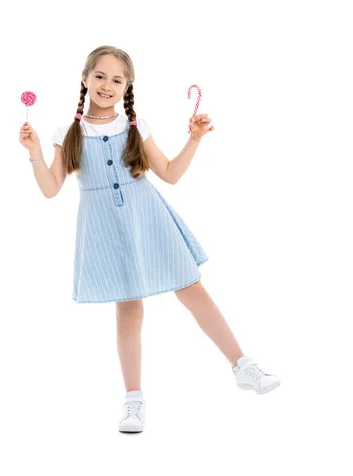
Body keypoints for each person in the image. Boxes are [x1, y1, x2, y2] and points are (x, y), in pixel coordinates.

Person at [19, 45, 280, 434]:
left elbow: (170, 174)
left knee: (193, 291)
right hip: (107, 230)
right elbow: (50, 188)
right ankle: (134, 401)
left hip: (149, 220)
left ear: (128, 86)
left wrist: (194, 139)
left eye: (117, 79)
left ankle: (242, 365)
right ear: (85, 78)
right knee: (128, 311)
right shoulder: (68, 133)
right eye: (101, 76)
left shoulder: (136, 127)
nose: (107, 85)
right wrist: (35, 152)